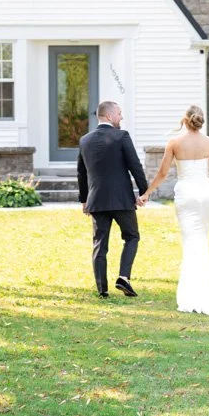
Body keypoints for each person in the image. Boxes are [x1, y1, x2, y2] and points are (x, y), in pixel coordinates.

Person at [138, 104, 209, 315]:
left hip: (187, 194)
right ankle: (204, 291)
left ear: (185, 120)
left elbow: (162, 173)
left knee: (192, 240)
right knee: (200, 239)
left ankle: (192, 293)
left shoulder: (174, 143)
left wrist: (147, 193)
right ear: (200, 121)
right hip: (206, 193)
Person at [77, 99, 148, 299]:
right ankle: (123, 277)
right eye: (119, 113)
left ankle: (102, 289)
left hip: (97, 200)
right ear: (109, 116)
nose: (121, 117)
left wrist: (84, 199)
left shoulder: (85, 140)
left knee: (100, 243)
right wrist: (144, 191)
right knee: (132, 236)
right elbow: (135, 166)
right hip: (121, 199)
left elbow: (81, 174)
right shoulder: (121, 136)